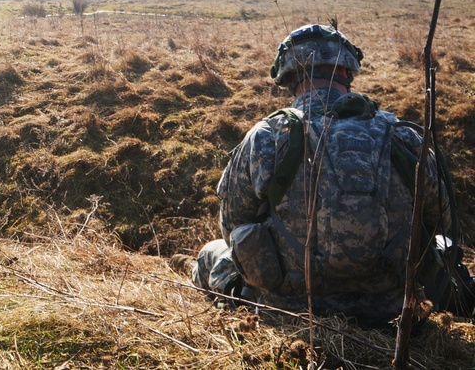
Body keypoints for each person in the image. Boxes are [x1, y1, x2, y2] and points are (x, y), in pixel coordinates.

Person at [186, 23, 472, 325]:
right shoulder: (404, 136)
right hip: (392, 313)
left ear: (288, 77)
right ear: (348, 74)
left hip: (289, 312)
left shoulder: (266, 137)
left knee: (211, 253)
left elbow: (231, 226)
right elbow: (443, 220)